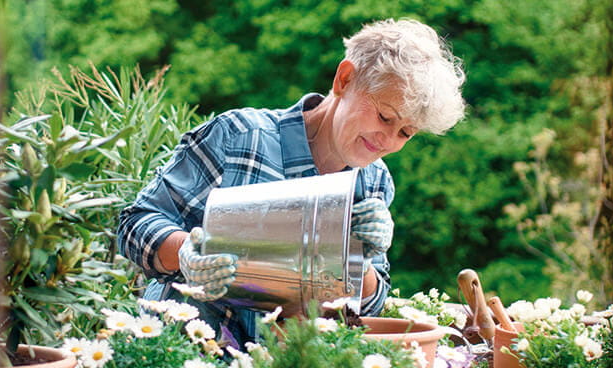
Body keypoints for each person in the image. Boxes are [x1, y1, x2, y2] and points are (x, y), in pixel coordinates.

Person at [117, 18, 467, 347]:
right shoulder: (242, 137)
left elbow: (367, 307)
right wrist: (184, 254)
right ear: (344, 80)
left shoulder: (374, 182)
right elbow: (134, 222)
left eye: (405, 132)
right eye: (384, 116)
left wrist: (361, 255)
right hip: (184, 358)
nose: (387, 140)